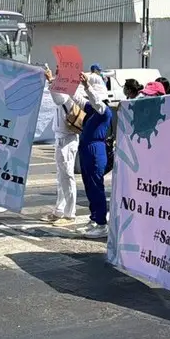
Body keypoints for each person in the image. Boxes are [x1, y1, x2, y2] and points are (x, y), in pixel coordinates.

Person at [42, 64, 84, 224]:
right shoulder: (64, 88)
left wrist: (50, 80)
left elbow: (58, 98)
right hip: (61, 138)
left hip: (67, 139)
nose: (57, 74)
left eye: (60, 73)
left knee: (67, 176)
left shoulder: (69, 90)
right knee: (61, 177)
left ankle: (69, 212)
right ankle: (60, 209)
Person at [74, 72, 112, 238]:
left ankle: (102, 223)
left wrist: (87, 86)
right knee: (89, 186)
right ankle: (95, 218)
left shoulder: (104, 111)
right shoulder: (93, 111)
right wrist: (62, 84)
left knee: (97, 187)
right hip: (87, 150)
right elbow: (79, 100)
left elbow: (96, 102)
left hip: (96, 151)